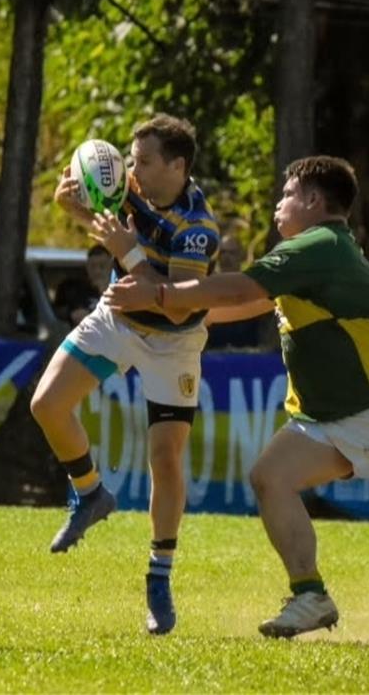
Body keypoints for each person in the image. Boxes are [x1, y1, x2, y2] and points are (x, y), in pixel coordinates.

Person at [104, 155, 369, 652]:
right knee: (270, 476)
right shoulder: (316, 253)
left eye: (286, 194)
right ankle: (310, 595)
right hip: (336, 412)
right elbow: (236, 304)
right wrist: (160, 308)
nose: (279, 203)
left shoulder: (317, 245)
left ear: (312, 201)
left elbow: (240, 287)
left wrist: (160, 294)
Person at [29, 114, 219, 636]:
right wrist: (73, 204)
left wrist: (127, 252)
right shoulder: (128, 186)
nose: (132, 169)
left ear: (178, 167)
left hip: (173, 342)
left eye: (145, 161)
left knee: (165, 457)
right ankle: (91, 492)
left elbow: (179, 306)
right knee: (46, 405)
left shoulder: (198, 230)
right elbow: (97, 214)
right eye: (131, 159)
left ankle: (159, 575)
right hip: (117, 318)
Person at [205, 230, 266, 349]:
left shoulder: (253, 286)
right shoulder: (208, 287)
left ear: (241, 255)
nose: (226, 257)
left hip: (251, 359)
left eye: (231, 252)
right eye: (222, 252)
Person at [53, 245, 113, 327]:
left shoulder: (120, 289)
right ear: (87, 267)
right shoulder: (75, 290)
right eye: (93, 266)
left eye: (102, 266)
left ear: (111, 267)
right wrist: (71, 314)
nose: (97, 271)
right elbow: (58, 313)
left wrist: (104, 291)